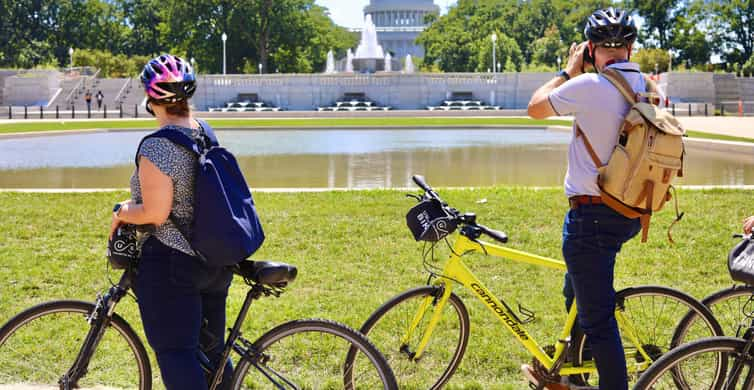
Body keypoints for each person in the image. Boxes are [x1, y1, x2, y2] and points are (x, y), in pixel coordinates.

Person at [525, 7, 649, 390]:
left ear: (591, 50)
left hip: (592, 217)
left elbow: (534, 109)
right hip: (627, 211)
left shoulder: (589, 86)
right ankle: (576, 371)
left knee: (598, 321)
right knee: (575, 290)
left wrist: (567, 70)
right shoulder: (645, 84)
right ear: (630, 48)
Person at [108, 54, 232, 390]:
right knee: (213, 354)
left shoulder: (158, 147)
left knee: (177, 352)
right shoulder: (205, 132)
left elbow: (154, 213)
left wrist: (121, 210)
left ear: (151, 100)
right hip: (214, 258)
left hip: (172, 263)